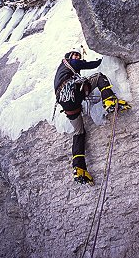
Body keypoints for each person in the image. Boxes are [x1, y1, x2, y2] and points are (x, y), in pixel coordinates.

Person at [54, 47, 130, 185]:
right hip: (73, 92)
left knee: (79, 132)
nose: (77, 57)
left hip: (67, 104)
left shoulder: (62, 73)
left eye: (78, 55)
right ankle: (109, 100)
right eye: (75, 55)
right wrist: (103, 59)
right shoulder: (68, 62)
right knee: (99, 77)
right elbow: (88, 65)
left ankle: (79, 168)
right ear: (69, 56)